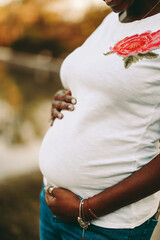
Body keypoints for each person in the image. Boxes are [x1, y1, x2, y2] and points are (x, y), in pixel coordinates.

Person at [39, 0, 160, 239]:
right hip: (51, 202)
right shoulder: (112, 20)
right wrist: (64, 97)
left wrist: (86, 209)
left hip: (105, 224)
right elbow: (100, 83)